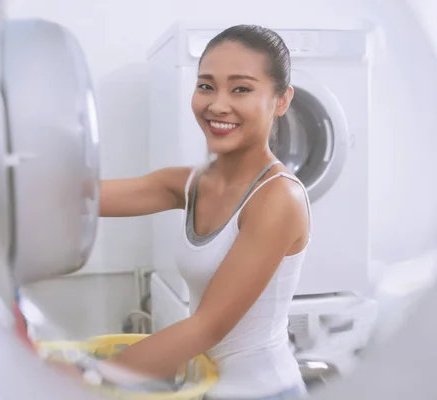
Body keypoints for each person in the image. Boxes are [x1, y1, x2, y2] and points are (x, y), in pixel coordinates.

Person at [94, 25, 312, 400]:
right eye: (206, 85)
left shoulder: (278, 198)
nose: (217, 104)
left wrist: (92, 375)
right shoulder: (194, 182)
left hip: (266, 392)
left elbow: (206, 327)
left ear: (281, 100)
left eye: (241, 88)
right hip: (208, 385)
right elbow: (83, 199)